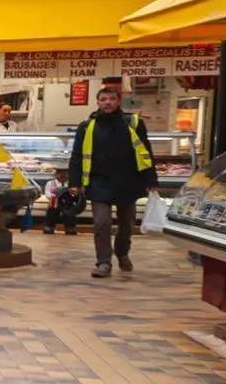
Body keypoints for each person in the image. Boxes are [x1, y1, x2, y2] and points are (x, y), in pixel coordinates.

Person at [66, 82, 158, 278]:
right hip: (98, 182)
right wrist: (74, 183)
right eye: (103, 99)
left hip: (128, 181)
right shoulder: (86, 126)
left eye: (112, 99)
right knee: (102, 222)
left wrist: (151, 179)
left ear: (118, 102)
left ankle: (122, 253)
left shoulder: (134, 123)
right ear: (97, 102)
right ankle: (104, 262)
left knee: (126, 224)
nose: (107, 103)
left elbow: (146, 152)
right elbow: (76, 156)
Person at [41, 167, 82, 236]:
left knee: (70, 214)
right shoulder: (50, 183)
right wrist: (53, 196)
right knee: (51, 213)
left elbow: (76, 194)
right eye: (60, 173)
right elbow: (47, 193)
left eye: (65, 173)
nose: (63, 175)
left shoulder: (71, 184)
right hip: (54, 203)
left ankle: (70, 227)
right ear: (56, 174)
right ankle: (49, 226)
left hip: (67, 204)